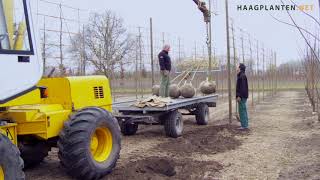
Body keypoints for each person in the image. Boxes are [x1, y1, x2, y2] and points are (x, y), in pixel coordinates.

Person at [236, 63, 249, 130]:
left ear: (240, 68)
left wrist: (239, 96)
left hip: (242, 96)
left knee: (242, 111)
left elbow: (242, 88)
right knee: (243, 110)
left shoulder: (242, 76)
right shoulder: (241, 75)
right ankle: (245, 125)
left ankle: (244, 126)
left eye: (237, 66)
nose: (236, 67)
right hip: (243, 96)